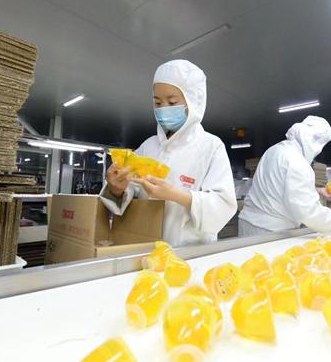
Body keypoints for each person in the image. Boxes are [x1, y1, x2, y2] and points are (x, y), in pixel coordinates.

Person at [100, 60, 237, 247]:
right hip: (145, 250)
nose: (163, 109)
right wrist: (116, 188)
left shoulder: (210, 147)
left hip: (189, 253)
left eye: (172, 102)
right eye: (157, 102)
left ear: (193, 101)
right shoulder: (148, 147)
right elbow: (127, 194)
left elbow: (223, 205)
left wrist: (176, 195)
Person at [238, 116, 331, 236]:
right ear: (315, 141)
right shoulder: (297, 161)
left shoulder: (275, 150)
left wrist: (318, 190)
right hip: (270, 229)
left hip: (249, 223)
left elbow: (278, 186)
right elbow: (307, 210)